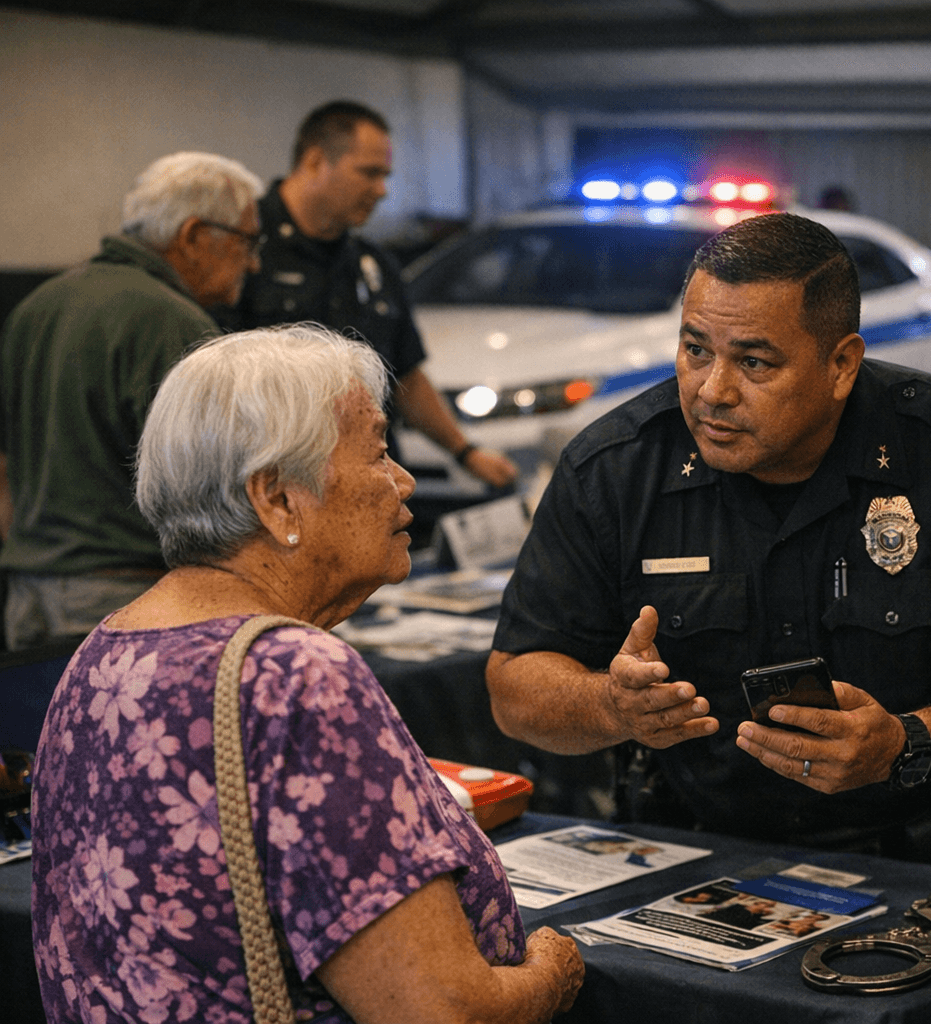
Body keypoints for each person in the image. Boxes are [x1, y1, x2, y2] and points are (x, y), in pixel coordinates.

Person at [486, 211, 931, 878]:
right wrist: (610, 706)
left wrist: (907, 742)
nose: (712, 391)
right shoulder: (616, 468)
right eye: (696, 350)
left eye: (754, 361)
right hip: (698, 871)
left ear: (841, 364)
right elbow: (514, 685)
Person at [29, 326, 583, 1023]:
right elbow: (443, 1013)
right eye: (380, 452)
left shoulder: (106, 652)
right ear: (278, 500)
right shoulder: (295, 676)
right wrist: (554, 973)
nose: (404, 480)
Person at [0, 152, 262, 650]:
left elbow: (3, 465)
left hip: (26, 595)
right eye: (246, 240)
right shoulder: (172, 322)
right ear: (191, 235)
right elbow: (212, 487)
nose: (254, 261)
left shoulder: (35, 308)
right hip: (126, 597)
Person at [231, 100, 517, 490]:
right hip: (279, 484)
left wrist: (465, 452)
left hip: (368, 482)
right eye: (368, 173)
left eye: (385, 175)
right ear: (315, 161)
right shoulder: (243, 246)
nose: (381, 190)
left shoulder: (373, 264)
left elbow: (406, 377)